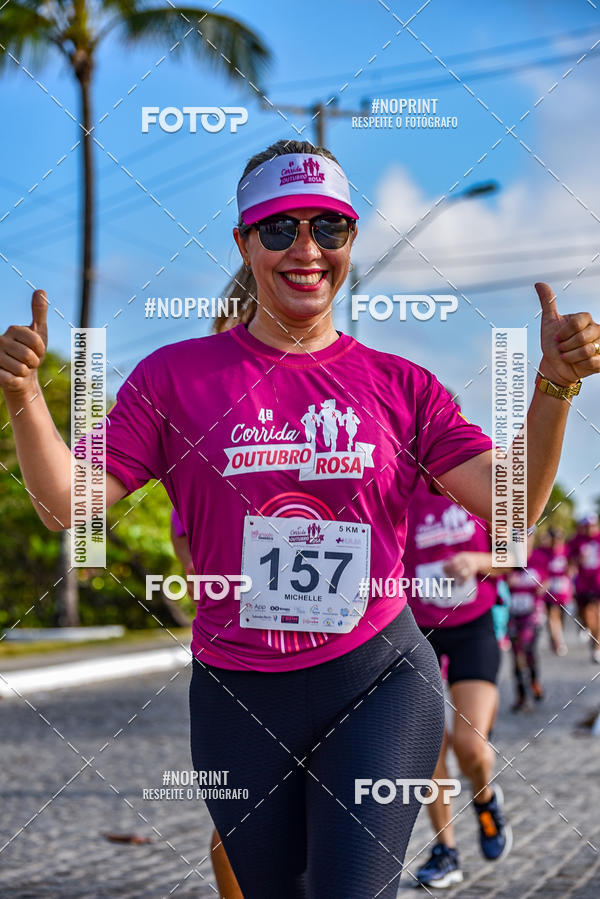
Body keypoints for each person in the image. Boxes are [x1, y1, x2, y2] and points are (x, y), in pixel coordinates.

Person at [2, 138, 600, 898]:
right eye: (280, 229)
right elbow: (66, 501)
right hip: (237, 696)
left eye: (330, 227)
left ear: (351, 237)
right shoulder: (174, 380)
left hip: (378, 675)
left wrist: (552, 385)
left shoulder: (400, 385)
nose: (306, 249)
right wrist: (24, 399)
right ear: (244, 242)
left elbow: (511, 504)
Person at [403, 477, 508, 888]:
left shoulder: (480, 481)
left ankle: (485, 801)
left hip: (472, 628)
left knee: (470, 746)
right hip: (415, 628)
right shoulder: (399, 485)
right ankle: (445, 850)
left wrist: (477, 560)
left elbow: (517, 552)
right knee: (429, 747)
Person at [170, 508, 243, 899]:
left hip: (347, 654)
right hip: (239, 658)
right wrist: (192, 564)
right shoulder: (206, 454)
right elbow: (182, 525)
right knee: (242, 811)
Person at [505, 533, 548, 710]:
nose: (523, 541)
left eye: (527, 536)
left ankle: (534, 681)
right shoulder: (506, 557)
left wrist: (541, 587)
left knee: (528, 649)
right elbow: (498, 581)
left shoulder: (539, 557)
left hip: (532, 613)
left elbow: (547, 581)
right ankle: (521, 695)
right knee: (516, 655)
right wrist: (507, 580)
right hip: (513, 613)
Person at [568, 514, 600, 663]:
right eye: (587, 526)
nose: (589, 529)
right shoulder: (576, 540)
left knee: (597, 614)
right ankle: (587, 629)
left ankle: (596, 647)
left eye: (592, 525)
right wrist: (576, 561)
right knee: (587, 615)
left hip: (598, 582)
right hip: (582, 584)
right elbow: (568, 559)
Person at [541, 527, 571, 655]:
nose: (556, 542)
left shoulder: (567, 551)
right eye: (554, 539)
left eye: (559, 538)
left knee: (560, 616)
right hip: (549, 590)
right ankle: (558, 642)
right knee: (552, 615)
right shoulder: (543, 553)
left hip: (563, 590)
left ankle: (556, 637)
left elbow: (572, 566)